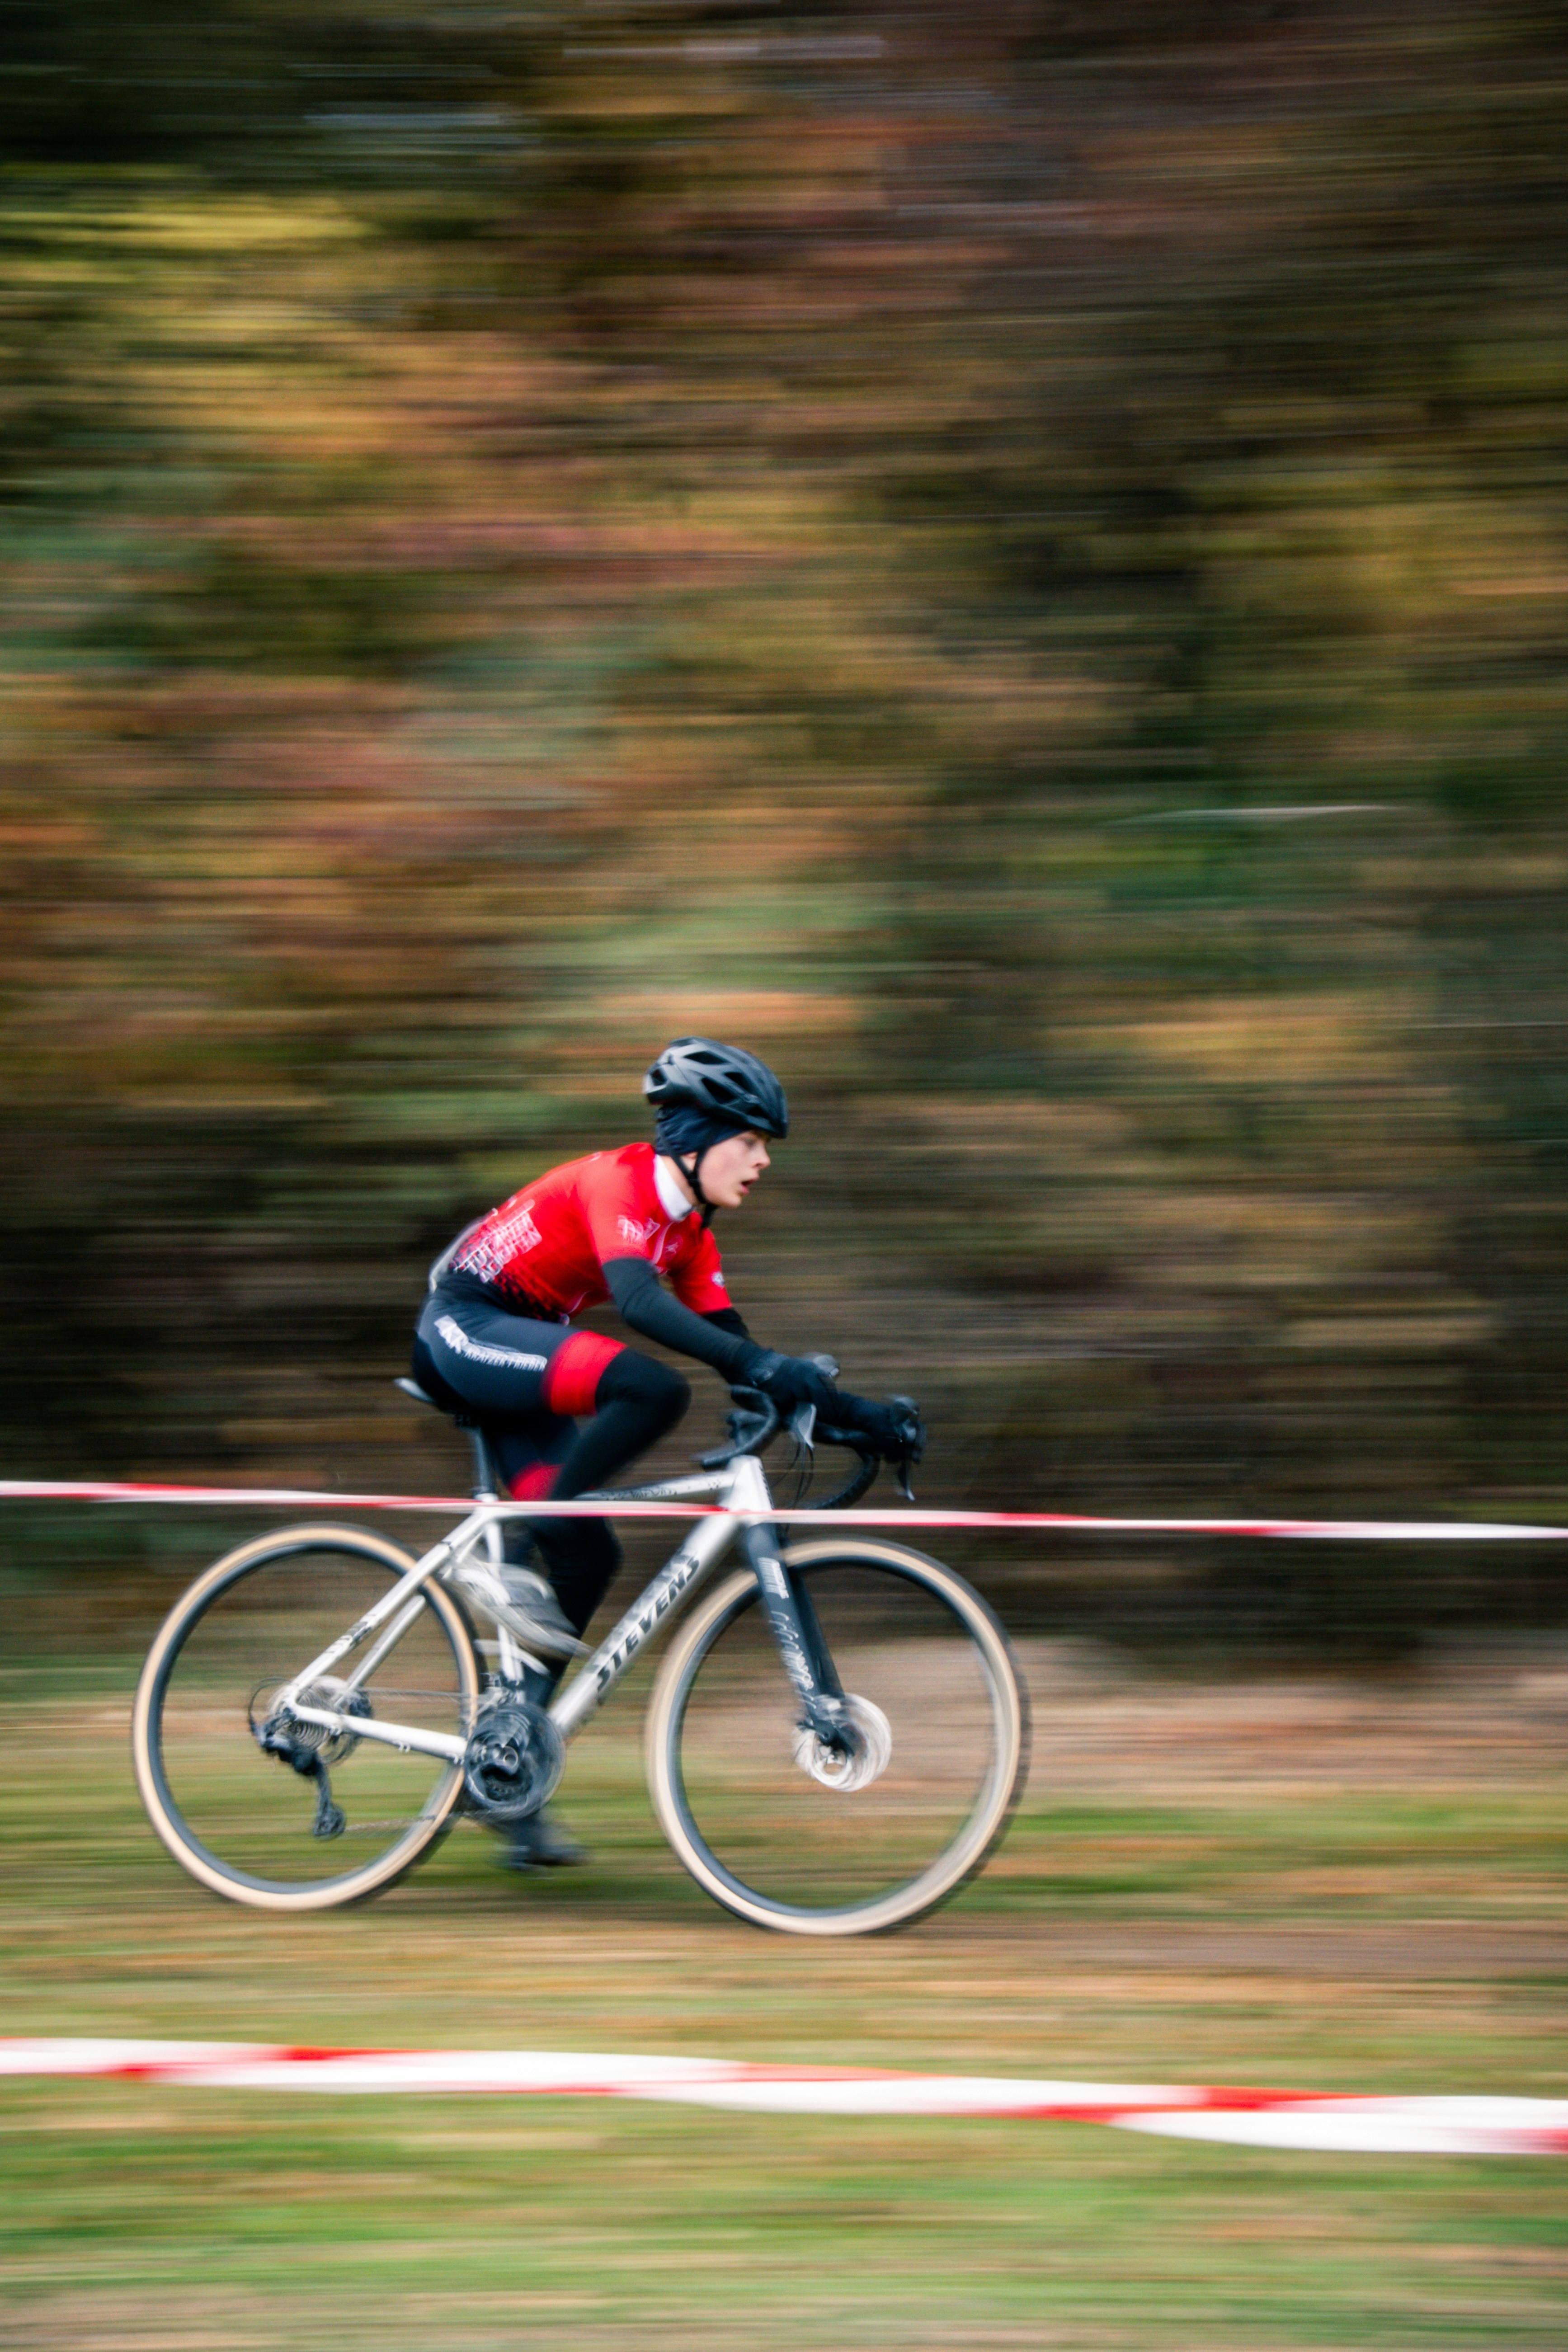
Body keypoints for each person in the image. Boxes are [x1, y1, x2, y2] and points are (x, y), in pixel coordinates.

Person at [411, 1037, 909, 1868]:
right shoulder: (621, 1181)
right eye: (748, 1143)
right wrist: (760, 1368)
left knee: (590, 1553)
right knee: (651, 1390)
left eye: (765, 1149)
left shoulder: (693, 1238)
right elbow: (639, 1302)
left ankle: (505, 1773)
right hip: (462, 1328)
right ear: (696, 1136)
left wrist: (860, 1415)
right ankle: (518, 1551)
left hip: (516, 1348)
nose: (761, 1163)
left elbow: (744, 1358)